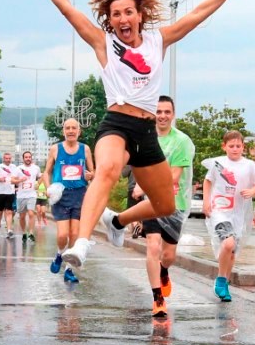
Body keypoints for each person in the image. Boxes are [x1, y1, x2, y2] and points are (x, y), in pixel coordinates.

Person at [25, 0, 254, 268]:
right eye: (116, 14)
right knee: (107, 170)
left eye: (128, 12)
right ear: (110, 21)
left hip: (146, 131)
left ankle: (116, 221)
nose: (122, 19)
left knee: (165, 205)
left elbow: (196, 14)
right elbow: (67, 9)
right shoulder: (104, 43)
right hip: (116, 124)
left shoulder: (158, 40)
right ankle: (82, 243)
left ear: (139, 16)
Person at [103, 96, 194, 317]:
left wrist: (143, 187)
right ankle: (157, 299)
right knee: (153, 246)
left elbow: (174, 176)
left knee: (168, 255)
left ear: (173, 114)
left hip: (175, 203)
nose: (162, 116)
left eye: (167, 112)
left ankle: (164, 270)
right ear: (152, 114)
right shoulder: (144, 138)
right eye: (158, 112)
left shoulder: (181, 141)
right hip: (150, 203)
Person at [202, 131, 255, 302]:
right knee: (228, 243)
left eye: (238, 146)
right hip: (219, 211)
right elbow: (207, 181)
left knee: (231, 252)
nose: (235, 149)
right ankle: (220, 280)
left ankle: (225, 282)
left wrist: (252, 191)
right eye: (231, 146)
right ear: (224, 147)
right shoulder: (218, 163)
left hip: (238, 214)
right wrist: (206, 202)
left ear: (243, 147)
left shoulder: (249, 165)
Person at [43, 118, 94, 284]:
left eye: (74, 128)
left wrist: (90, 175)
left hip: (80, 195)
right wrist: (48, 188)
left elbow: (93, 172)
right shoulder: (55, 149)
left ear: (79, 131)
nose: (71, 131)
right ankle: (59, 254)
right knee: (63, 235)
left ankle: (69, 270)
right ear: (63, 131)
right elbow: (46, 172)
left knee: (74, 234)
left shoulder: (85, 149)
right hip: (61, 195)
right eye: (68, 128)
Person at [13, 151, 41, 243]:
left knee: (31, 213)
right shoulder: (18, 169)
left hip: (31, 195)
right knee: (22, 216)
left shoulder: (36, 168)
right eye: (26, 157)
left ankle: (31, 233)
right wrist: (20, 180)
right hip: (21, 195)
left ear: (31, 158)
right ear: (23, 158)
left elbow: (41, 177)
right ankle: (24, 233)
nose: (28, 159)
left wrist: (38, 184)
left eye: (29, 157)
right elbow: (12, 180)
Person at [0, 152, 18, 238]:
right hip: (0, 192)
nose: (8, 160)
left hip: (10, 192)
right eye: (6, 158)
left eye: (9, 158)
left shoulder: (14, 167)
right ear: (3, 159)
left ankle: (9, 230)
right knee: (0, 211)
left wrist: (16, 183)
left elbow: (16, 177)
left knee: (9, 211)